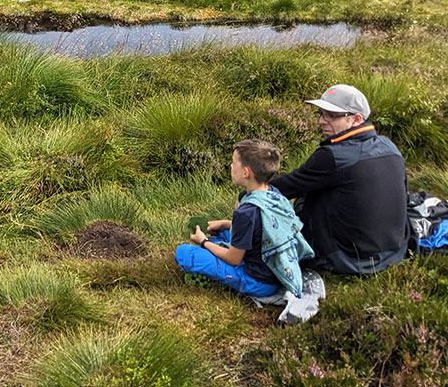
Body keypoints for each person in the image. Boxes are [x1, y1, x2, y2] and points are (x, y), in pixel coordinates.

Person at [269, 84, 410, 275]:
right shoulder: (390, 147)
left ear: (356, 119)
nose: (321, 121)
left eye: (331, 116)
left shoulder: (333, 156)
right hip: (395, 252)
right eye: (321, 113)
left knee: (307, 196)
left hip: (349, 260)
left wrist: (248, 193)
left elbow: (287, 187)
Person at [175, 139, 314, 298]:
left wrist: (203, 242)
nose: (231, 166)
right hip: (276, 266)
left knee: (184, 253)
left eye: (234, 163)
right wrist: (226, 224)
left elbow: (233, 259)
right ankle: (217, 244)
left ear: (246, 172)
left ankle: (217, 270)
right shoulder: (274, 193)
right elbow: (265, 228)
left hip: (258, 282)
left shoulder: (246, 212)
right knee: (221, 234)